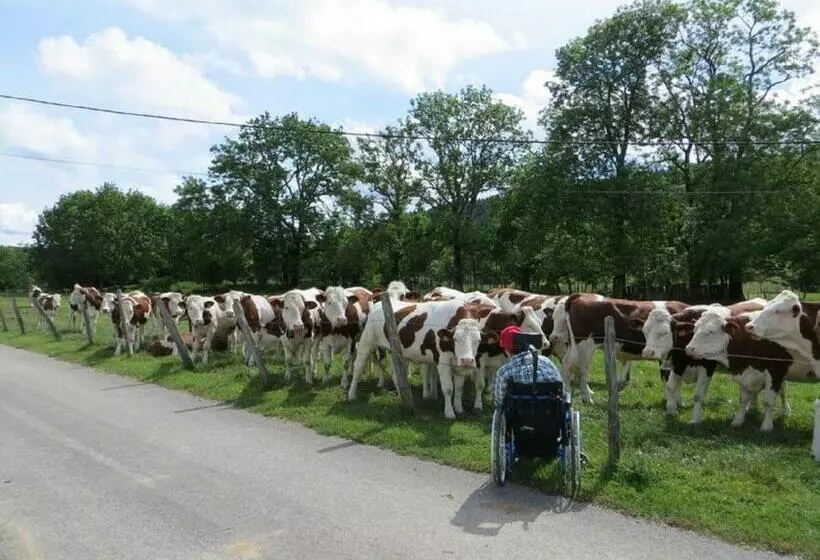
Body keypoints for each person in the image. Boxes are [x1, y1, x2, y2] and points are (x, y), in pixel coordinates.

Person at [492, 324, 564, 410]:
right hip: (550, 415)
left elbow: (499, 401)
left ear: (506, 349)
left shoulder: (504, 372)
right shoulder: (547, 363)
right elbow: (561, 390)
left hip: (517, 419)